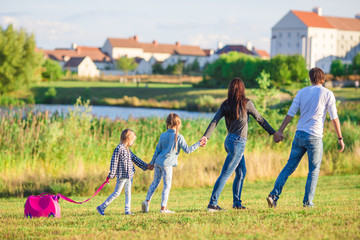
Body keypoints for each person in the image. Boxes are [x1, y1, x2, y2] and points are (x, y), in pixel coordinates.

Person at [267, 67, 345, 208]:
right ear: (323, 78)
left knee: (289, 167)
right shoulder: (328, 94)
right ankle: (307, 202)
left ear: (310, 78)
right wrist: (340, 137)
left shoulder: (301, 92)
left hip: (299, 135)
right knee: (313, 170)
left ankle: (273, 195)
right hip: (314, 137)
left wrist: (280, 131)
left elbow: (290, 114)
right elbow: (334, 118)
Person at [200, 78, 282, 212]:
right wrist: (274, 133)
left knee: (241, 172)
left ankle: (237, 203)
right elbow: (260, 119)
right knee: (225, 174)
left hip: (229, 142)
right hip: (237, 143)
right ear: (242, 89)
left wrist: (206, 136)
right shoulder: (246, 103)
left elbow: (214, 121)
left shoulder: (226, 104)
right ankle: (212, 204)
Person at [142, 113, 206, 214]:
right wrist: (199, 143)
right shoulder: (179, 137)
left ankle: (147, 201)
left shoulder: (163, 135)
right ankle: (163, 208)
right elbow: (188, 150)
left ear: (167, 123)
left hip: (158, 162)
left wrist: (152, 163)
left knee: (155, 182)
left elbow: (157, 150)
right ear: (179, 124)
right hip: (167, 165)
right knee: (167, 186)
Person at [96, 129, 151, 216]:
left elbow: (135, 159)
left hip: (129, 175)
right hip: (122, 176)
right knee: (116, 193)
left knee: (128, 192)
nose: (133, 143)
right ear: (128, 139)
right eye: (133, 140)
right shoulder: (119, 149)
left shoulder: (127, 149)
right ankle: (102, 207)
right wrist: (112, 174)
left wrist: (146, 166)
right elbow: (114, 162)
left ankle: (127, 211)